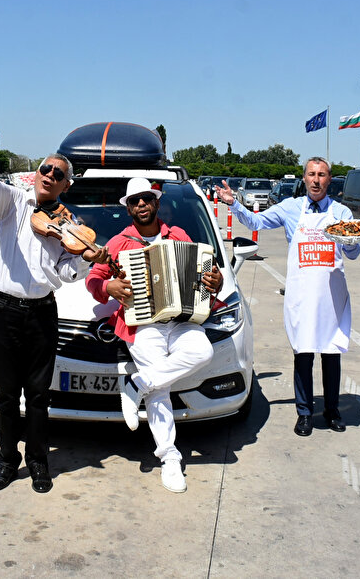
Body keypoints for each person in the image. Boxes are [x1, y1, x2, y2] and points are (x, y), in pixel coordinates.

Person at [0, 123, 109, 494]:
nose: (49, 176)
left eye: (58, 174)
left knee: (37, 395)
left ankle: (38, 461)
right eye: (45, 169)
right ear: (36, 174)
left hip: (40, 312)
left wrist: (84, 255)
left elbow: (67, 274)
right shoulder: (13, 203)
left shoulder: (71, 225)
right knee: (5, 393)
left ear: (67, 185)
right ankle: (7, 461)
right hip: (2, 309)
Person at [85, 177, 223, 493]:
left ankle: (138, 384)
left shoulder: (180, 236)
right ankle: (170, 459)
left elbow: (205, 279)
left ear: (157, 203)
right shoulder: (118, 244)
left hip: (182, 320)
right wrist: (109, 287)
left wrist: (213, 282)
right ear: (129, 208)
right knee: (160, 391)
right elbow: (94, 281)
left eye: (147, 199)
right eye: (135, 201)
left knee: (203, 352)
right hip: (143, 324)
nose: (142, 205)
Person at [217, 158, 358, 437]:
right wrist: (234, 204)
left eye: (322, 175)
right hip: (302, 293)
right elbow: (257, 221)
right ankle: (304, 413)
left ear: (330, 180)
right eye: (311, 174)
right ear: (304, 179)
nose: (316, 180)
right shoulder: (291, 208)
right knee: (303, 353)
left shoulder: (342, 212)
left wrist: (351, 240)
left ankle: (332, 410)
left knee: (331, 354)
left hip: (331, 294)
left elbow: (353, 254)